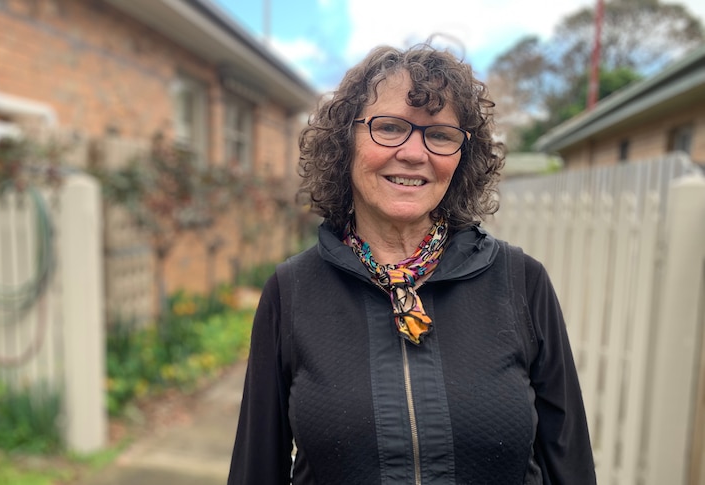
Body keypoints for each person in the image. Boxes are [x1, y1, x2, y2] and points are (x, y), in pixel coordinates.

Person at [227, 43, 596, 485]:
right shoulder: (292, 290)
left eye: (439, 134)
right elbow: (256, 469)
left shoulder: (521, 281)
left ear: (462, 157)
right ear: (347, 141)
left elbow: (569, 464)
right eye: (389, 127)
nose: (414, 153)